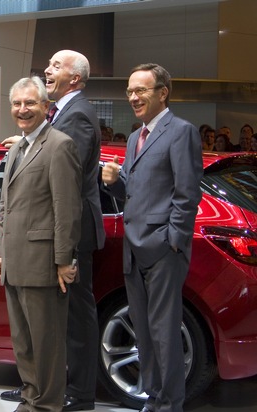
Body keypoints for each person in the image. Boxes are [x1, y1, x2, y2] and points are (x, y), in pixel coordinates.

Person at [0, 50, 105, 411]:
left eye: (56, 66)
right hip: (31, 247)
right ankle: (41, 390)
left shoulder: (71, 124)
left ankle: (67, 393)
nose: (48, 69)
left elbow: (65, 196)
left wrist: (64, 256)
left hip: (59, 241)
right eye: (17, 103)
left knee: (62, 326)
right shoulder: (48, 126)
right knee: (38, 331)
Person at [101, 63, 202, 412]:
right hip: (133, 248)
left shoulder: (181, 132)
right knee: (144, 332)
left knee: (164, 333)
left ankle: (170, 404)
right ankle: (154, 398)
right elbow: (132, 194)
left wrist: (173, 241)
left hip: (162, 250)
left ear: (162, 92)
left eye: (141, 90)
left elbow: (187, 195)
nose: (133, 96)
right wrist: (114, 182)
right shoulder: (134, 137)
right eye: (130, 90)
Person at [0, 76, 82, 412]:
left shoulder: (59, 145)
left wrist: (63, 260)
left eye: (30, 103)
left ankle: (47, 406)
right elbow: (5, 207)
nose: (22, 109)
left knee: (46, 343)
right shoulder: (17, 147)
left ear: (46, 107)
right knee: (24, 343)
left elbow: (67, 208)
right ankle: (31, 398)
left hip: (44, 262)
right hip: (14, 261)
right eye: (17, 104)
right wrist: (1, 252)